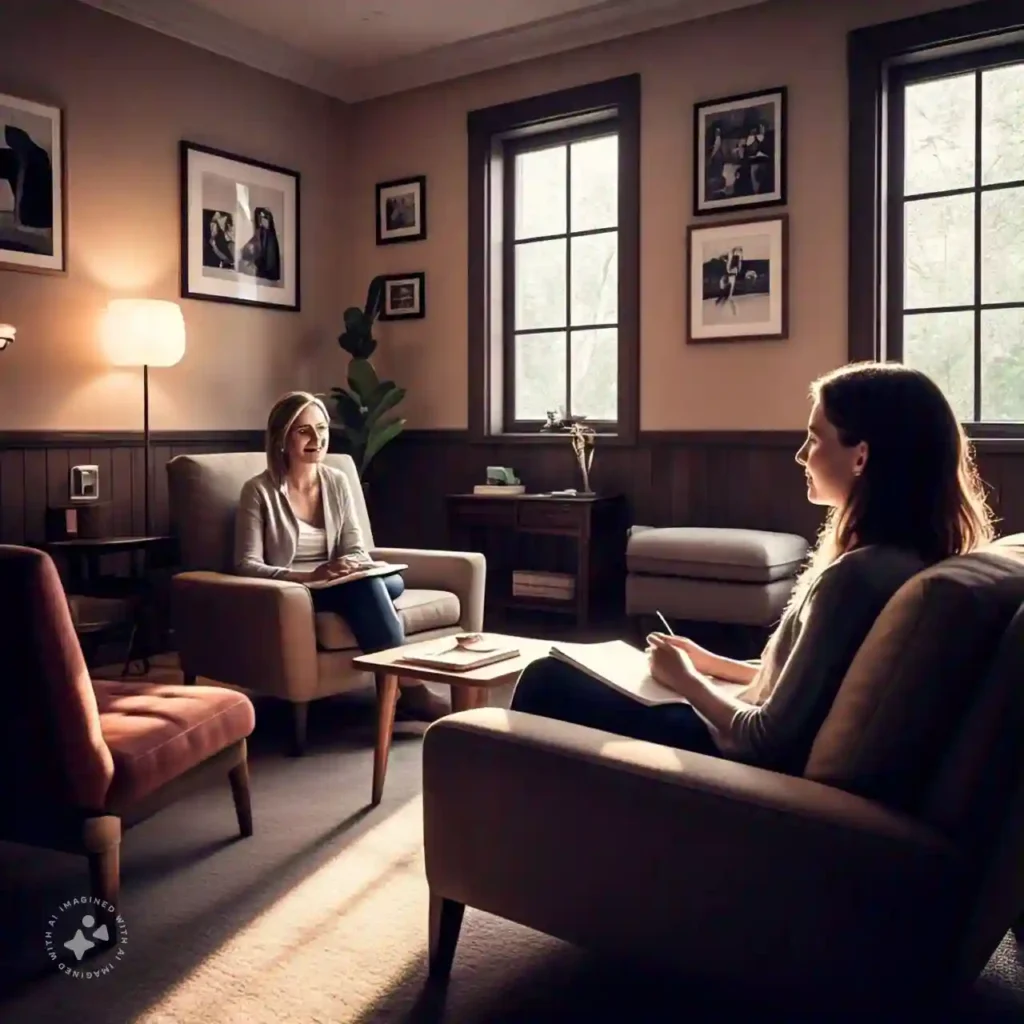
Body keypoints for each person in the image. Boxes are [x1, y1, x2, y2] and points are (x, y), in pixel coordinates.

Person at [511, 362, 995, 774]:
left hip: (742, 774)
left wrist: (687, 682)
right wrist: (710, 663)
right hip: (746, 745)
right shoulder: (906, 559)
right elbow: (803, 683)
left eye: (814, 438)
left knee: (545, 680)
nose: (802, 455)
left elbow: (767, 740)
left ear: (861, 456)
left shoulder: (854, 579)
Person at [234, 390, 448, 721]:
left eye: (321, 429)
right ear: (281, 438)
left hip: (343, 580)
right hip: (298, 590)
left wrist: (351, 564)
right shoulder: (258, 491)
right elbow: (246, 565)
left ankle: (402, 689)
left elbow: (355, 546)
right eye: (303, 430)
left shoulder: (337, 481)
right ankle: (413, 690)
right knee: (367, 591)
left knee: (381, 582)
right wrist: (308, 576)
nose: (316, 439)